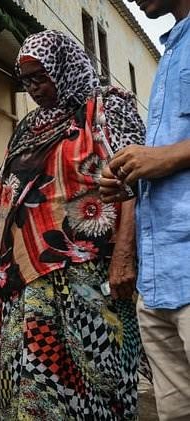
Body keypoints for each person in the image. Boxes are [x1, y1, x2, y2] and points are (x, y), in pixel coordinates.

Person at [0, 30, 146, 420]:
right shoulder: (29, 128)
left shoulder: (105, 109)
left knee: (95, 380)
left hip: (89, 278)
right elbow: (8, 187)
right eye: (27, 81)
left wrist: (125, 254)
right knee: (35, 383)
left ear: (65, 68)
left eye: (41, 77)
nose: (34, 88)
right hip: (27, 281)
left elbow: (137, 183)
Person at [100, 1, 190, 419]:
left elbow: (170, 156)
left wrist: (164, 157)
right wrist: (130, 178)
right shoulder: (172, 50)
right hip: (159, 280)